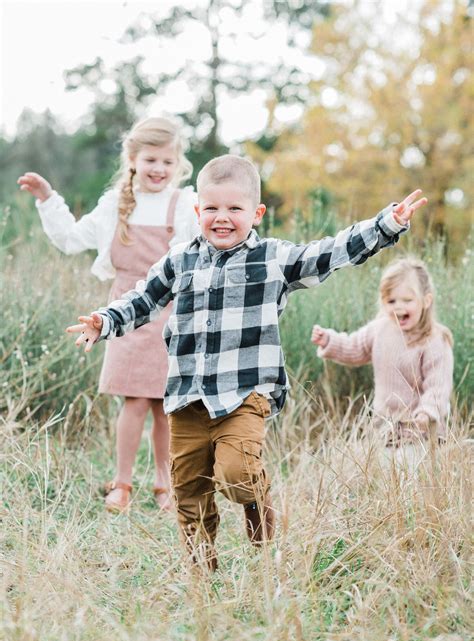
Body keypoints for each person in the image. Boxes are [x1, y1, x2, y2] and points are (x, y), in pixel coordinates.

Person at [66, 155, 427, 570]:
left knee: (237, 473)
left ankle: (257, 503)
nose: (222, 218)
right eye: (213, 209)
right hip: (187, 396)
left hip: (245, 395)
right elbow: (143, 299)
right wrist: (104, 320)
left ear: (256, 214)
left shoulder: (273, 259)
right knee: (189, 490)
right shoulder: (179, 260)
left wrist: (386, 225)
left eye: (235, 209)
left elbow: (329, 253)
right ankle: (204, 572)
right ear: (198, 211)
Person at [18, 116, 199, 513]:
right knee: (132, 401)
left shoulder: (185, 205)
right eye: (151, 160)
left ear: (178, 165)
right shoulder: (113, 204)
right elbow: (69, 240)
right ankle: (122, 484)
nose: (159, 169)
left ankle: (165, 485)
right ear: (133, 158)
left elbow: (204, 253)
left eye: (167, 163)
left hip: (172, 314)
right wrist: (49, 198)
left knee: (166, 407)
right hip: (123, 314)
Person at [311, 257, 453, 443]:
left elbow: (438, 387)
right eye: (391, 301)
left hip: (422, 434)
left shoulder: (434, 340)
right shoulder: (380, 329)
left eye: (407, 300)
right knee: (383, 470)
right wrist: (329, 340)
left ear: (426, 301)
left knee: (411, 471)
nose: (398, 306)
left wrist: (426, 413)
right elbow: (355, 347)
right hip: (384, 430)